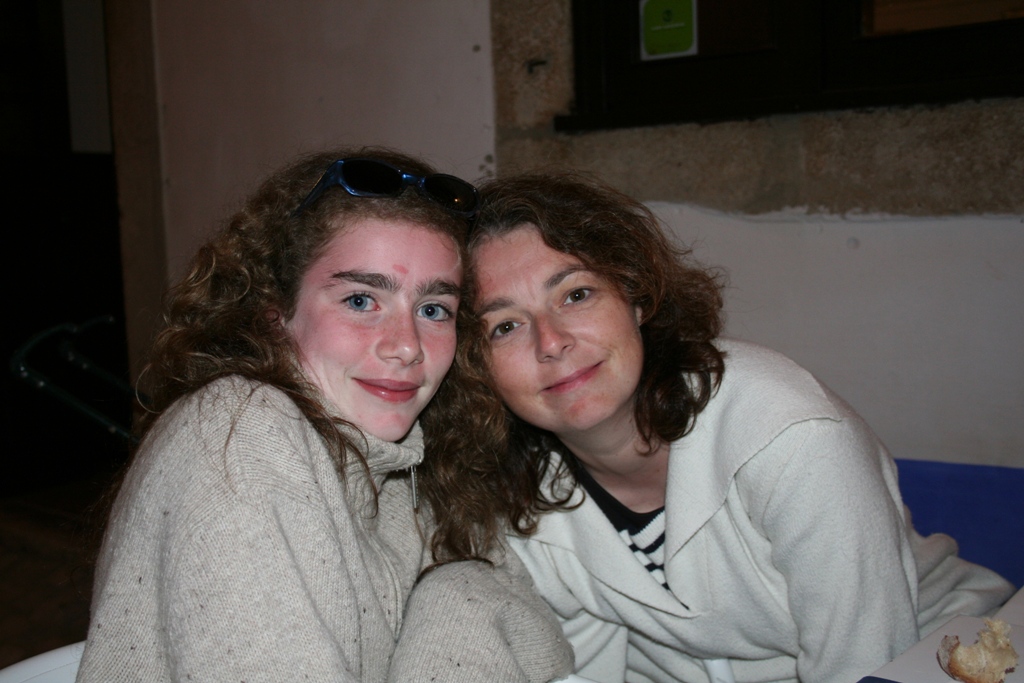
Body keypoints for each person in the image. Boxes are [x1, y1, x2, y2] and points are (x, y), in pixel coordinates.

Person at [458, 171, 1016, 683]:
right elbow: (582, 668)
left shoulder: (790, 435)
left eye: (576, 294)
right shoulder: (519, 499)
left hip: (947, 657)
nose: (551, 342)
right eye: (505, 326)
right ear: (475, 366)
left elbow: (861, 660)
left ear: (636, 297)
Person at [76, 148, 572, 683]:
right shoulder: (238, 431)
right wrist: (459, 606)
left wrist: (457, 598)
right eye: (360, 300)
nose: (407, 346)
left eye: (433, 310)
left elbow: (546, 645)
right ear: (274, 315)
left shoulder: (413, 465)